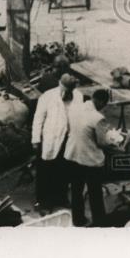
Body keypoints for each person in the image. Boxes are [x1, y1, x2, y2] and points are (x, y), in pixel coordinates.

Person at [32, 73, 83, 211]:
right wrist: (36, 139)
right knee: (45, 171)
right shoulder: (48, 97)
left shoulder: (78, 96)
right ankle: (43, 201)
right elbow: (38, 118)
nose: (65, 93)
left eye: (69, 91)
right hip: (50, 140)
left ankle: (61, 198)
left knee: (64, 170)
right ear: (60, 85)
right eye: (64, 90)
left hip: (68, 140)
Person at [64, 88, 111, 227]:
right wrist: (112, 143)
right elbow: (102, 142)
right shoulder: (98, 118)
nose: (103, 108)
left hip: (72, 153)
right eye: (104, 105)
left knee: (76, 190)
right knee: (95, 193)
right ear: (101, 102)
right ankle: (99, 221)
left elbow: (70, 129)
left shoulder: (74, 109)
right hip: (89, 159)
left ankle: (78, 220)